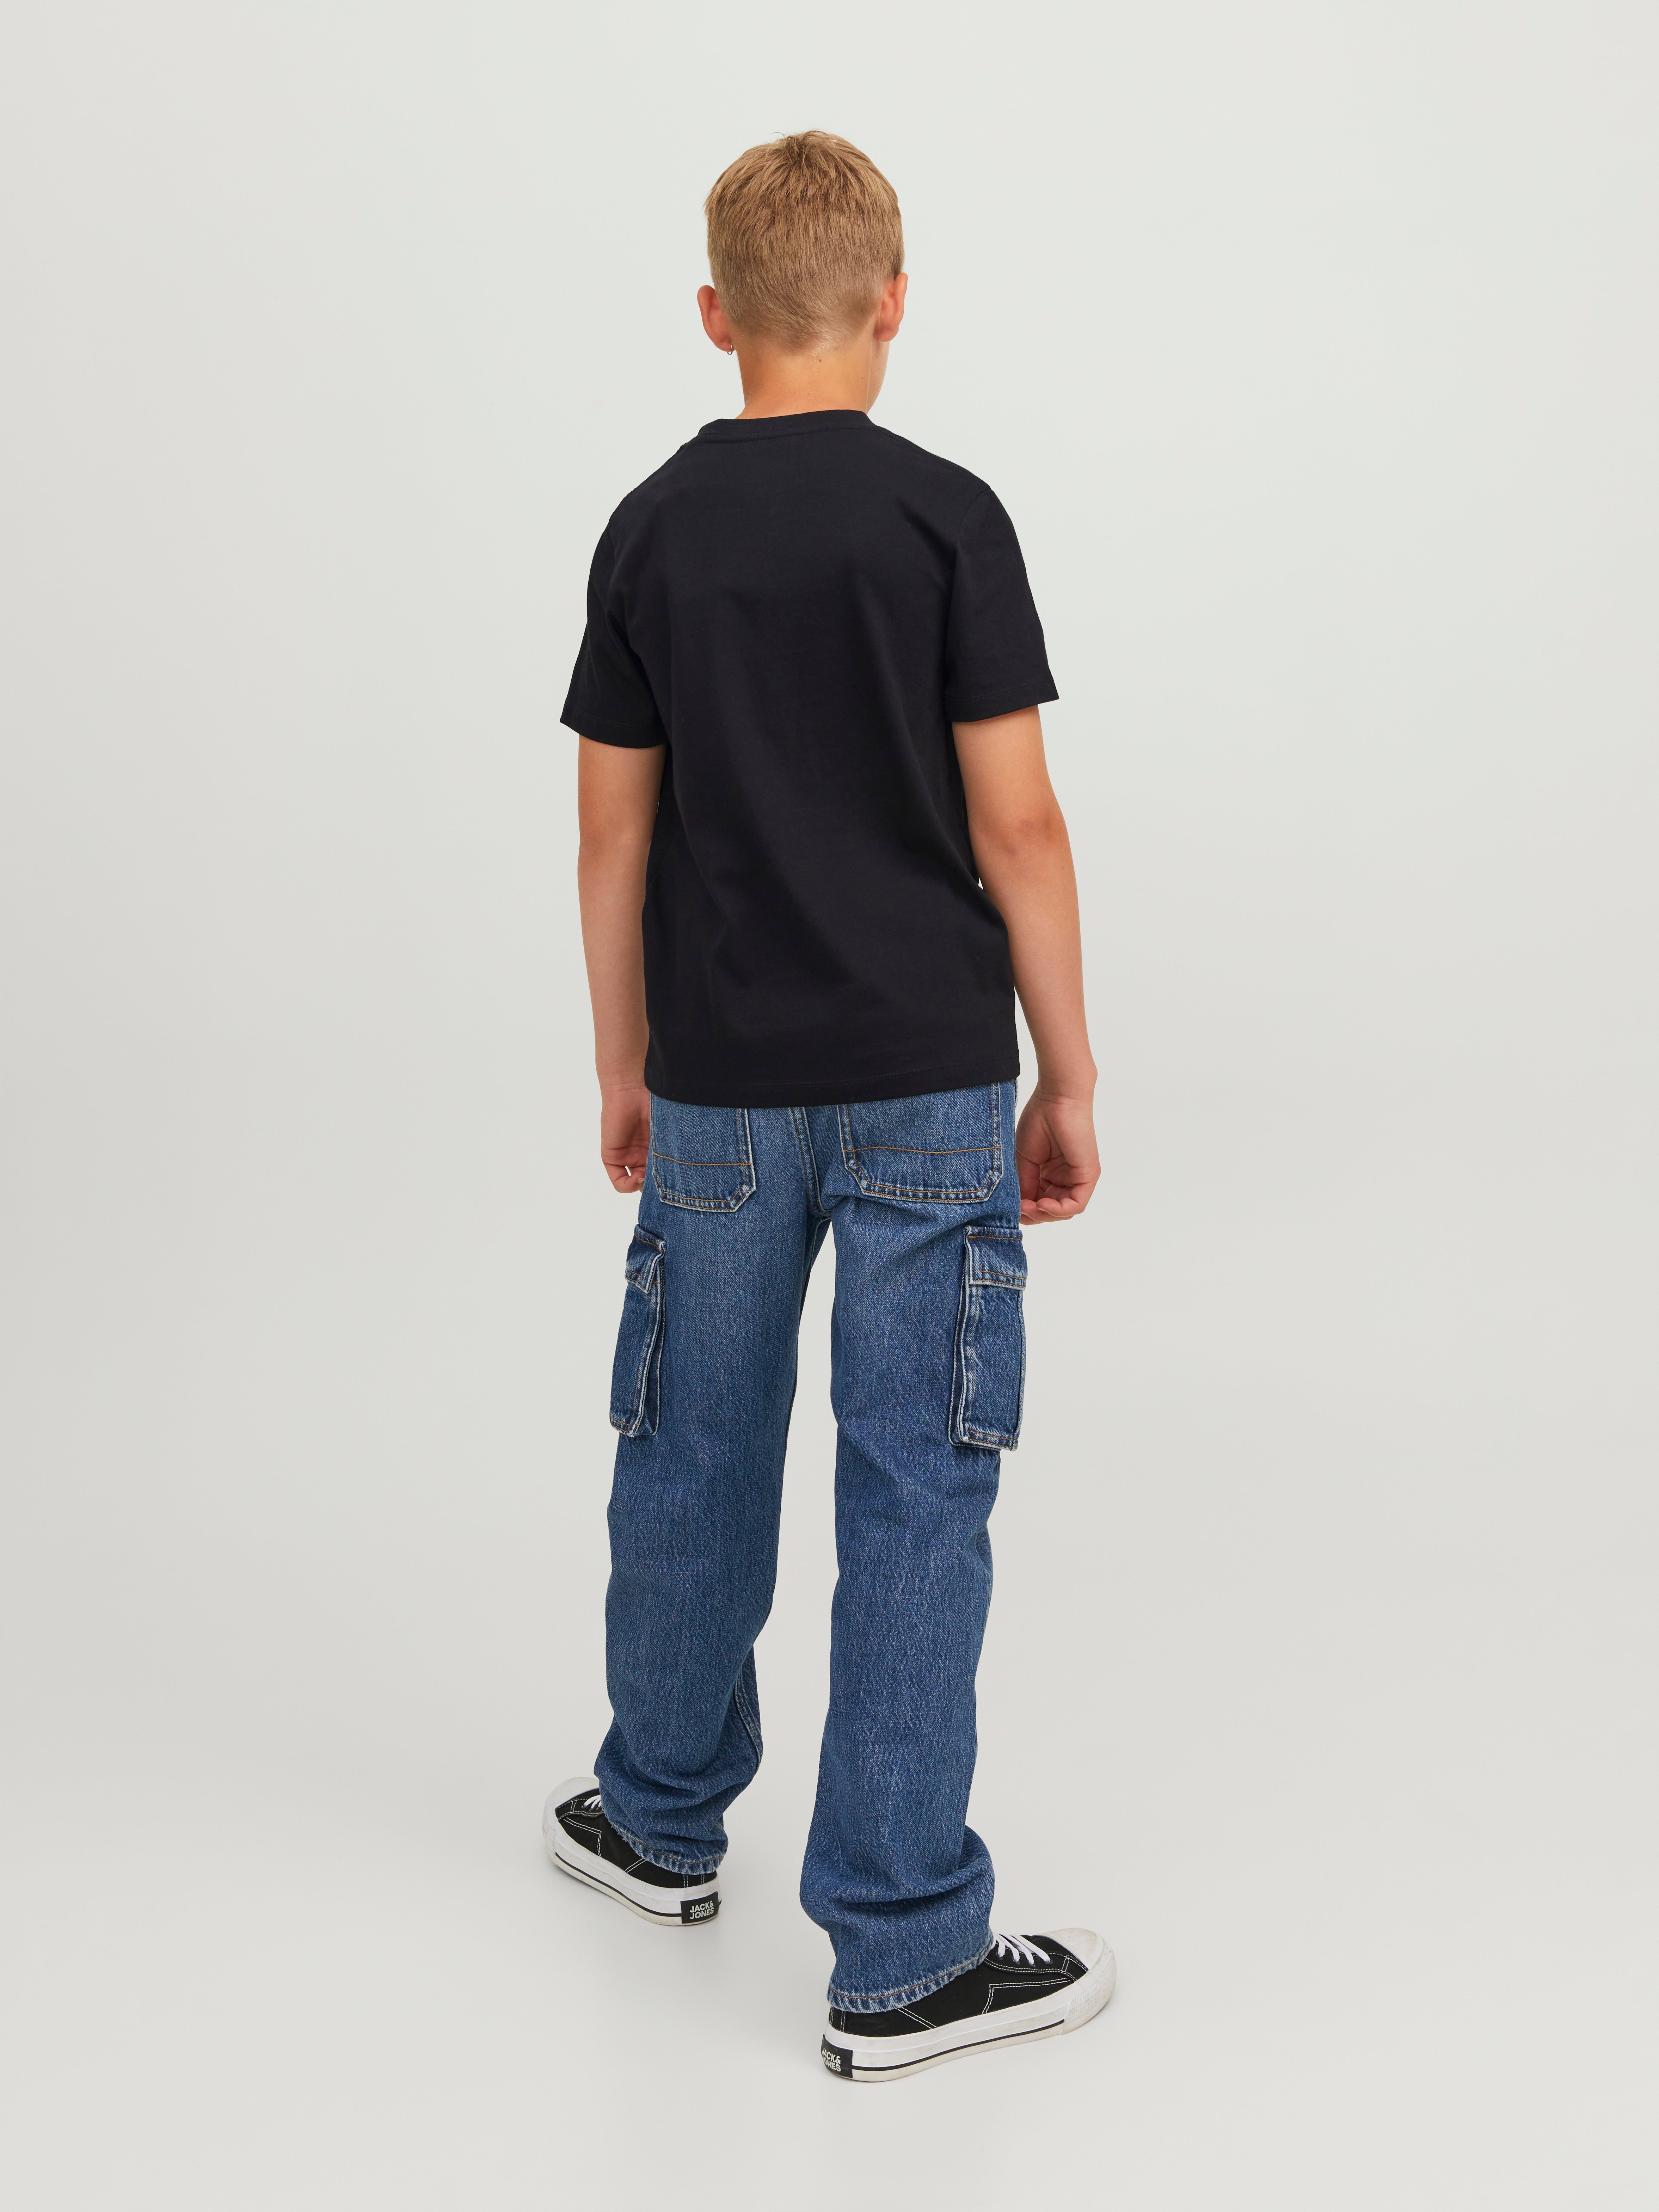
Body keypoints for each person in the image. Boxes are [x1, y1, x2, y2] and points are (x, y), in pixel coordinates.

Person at [543, 130, 1114, 2083]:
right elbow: (1018, 824)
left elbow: (610, 836)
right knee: (915, 1482)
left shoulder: (650, 530)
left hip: (716, 1080)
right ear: (893, 303)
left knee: (690, 1446)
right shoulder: (947, 519)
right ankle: (902, 1948)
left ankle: (655, 1816)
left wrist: (622, 1059)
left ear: (716, 316)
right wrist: (1069, 1069)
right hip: (930, 1081)